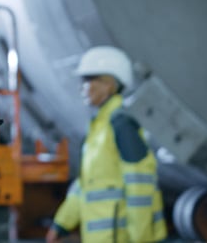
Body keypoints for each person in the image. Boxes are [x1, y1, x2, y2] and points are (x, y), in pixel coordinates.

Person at [46, 46, 167, 243]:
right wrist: (61, 224)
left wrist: (142, 239)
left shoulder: (121, 124)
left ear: (109, 84)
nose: (83, 87)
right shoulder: (99, 126)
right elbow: (86, 185)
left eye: (89, 80)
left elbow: (140, 185)